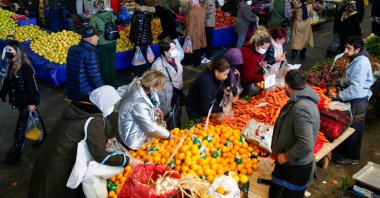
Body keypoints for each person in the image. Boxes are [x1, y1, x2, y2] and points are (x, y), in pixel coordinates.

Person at [28, 86, 143, 197]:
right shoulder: (94, 120)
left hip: (49, 154)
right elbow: (100, 155)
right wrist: (127, 160)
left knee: (42, 188)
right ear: (103, 102)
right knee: (53, 191)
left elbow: (81, 133)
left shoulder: (80, 107)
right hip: (60, 163)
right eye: (111, 104)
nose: (112, 108)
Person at [270, 70, 320, 198]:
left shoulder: (301, 107)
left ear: (286, 86)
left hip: (293, 168)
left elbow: (306, 143)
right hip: (293, 165)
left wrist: (286, 157)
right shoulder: (305, 100)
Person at [329, 35, 374, 165]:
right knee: (347, 125)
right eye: (345, 47)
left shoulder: (361, 63)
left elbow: (355, 89)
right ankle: (344, 150)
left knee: (354, 129)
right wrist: (340, 82)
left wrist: (338, 96)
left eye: (349, 48)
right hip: (354, 98)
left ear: (357, 49)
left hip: (358, 101)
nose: (346, 50)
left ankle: (352, 157)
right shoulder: (355, 58)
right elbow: (350, 78)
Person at [0, 40, 46, 164]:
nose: (8, 52)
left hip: (27, 101)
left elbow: (32, 86)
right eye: (7, 50)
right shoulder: (11, 64)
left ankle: (14, 155)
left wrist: (32, 103)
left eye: (10, 50)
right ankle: (43, 135)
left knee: (20, 129)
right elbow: (8, 82)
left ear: (17, 52)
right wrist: (2, 93)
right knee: (34, 116)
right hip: (20, 101)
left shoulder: (25, 67)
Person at [118, 70, 171, 150]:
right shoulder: (139, 104)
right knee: (138, 158)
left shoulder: (140, 83)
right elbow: (150, 126)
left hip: (132, 123)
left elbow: (150, 98)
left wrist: (154, 108)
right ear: (152, 87)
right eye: (159, 87)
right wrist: (168, 135)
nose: (161, 89)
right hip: (133, 137)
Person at [151, 38, 184, 130]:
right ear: (165, 52)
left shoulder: (176, 58)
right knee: (164, 123)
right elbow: (152, 86)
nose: (175, 51)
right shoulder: (157, 65)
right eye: (172, 49)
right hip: (164, 99)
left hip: (176, 95)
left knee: (176, 119)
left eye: (175, 48)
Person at [66, 26, 104, 100]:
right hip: (86, 92)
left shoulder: (72, 49)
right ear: (90, 38)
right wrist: (102, 90)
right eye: (96, 36)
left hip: (72, 89)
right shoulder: (90, 54)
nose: (98, 38)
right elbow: (95, 76)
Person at [89, 0, 117, 85]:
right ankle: (112, 83)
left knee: (104, 64)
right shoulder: (111, 15)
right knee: (112, 63)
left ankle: (106, 84)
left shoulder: (94, 18)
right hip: (113, 41)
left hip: (102, 43)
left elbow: (91, 30)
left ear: (97, 7)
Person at [239, 26, 271, 97]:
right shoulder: (248, 54)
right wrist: (263, 77)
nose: (265, 50)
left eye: (267, 48)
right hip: (242, 82)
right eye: (263, 48)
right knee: (243, 97)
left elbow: (257, 59)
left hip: (248, 78)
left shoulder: (255, 48)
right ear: (257, 45)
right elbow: (247, 77)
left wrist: (260, 63)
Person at [129, 4, 156, 76]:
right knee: (146, 58)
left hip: (140, 41)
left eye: (136, 4)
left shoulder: (138, 16)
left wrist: (137, 43)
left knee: (138, 61)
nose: (135, 6)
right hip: (148, 40)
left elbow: (138, 31)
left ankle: (140, 76)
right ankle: (146, 75)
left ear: (140, 5)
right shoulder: (148, 15)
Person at [185, 0, 207, 67]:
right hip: (201, 31)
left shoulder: (192, 12)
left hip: (194, 33)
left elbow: (191, 26)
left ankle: (193, 63)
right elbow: (204, 20)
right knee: (198, 48)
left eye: (190, 3)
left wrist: (188, 35)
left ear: (192, 3)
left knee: (193, 48)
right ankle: (198, 62)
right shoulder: (203, 10)